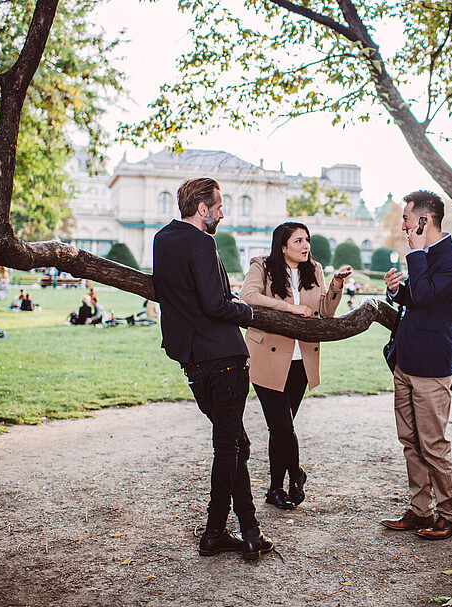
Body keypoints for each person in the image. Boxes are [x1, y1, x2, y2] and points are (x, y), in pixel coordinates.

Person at [152, 176, 273, 561]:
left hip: (193, 363)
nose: (223, 212)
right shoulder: (203, 242)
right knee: (229, 447)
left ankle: (237, 530)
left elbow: (178, 295)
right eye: (219, 206)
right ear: (202, 209)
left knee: (236, 445)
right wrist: (250, 311)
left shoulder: (161, 239)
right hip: (223, 359)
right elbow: (215, 305)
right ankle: (223, 532)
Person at [240, 222, 351, 510]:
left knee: (281, 428)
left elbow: (325, 310)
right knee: (281, 425)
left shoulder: (314, 270)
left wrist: (337, 284)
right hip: (266, 356)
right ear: (283, 245)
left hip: (302, 359)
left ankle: (275, 489)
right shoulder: (262, 266)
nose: (306, 246)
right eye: (299, 240)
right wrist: (291, 309)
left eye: (308, 240)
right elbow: (248, 297)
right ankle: (296, 473)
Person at [380, 190, 452, 540]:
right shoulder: (424, 255)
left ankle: (449, 516)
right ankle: (420, 510)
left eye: (406, 218)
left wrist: (415, 254)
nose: (402, 225)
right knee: (410, 441)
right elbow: (418, 299)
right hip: (405, 361)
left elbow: (430, 294)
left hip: (432, 366)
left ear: (423, 220)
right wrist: (395, 291)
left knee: (433, 444)